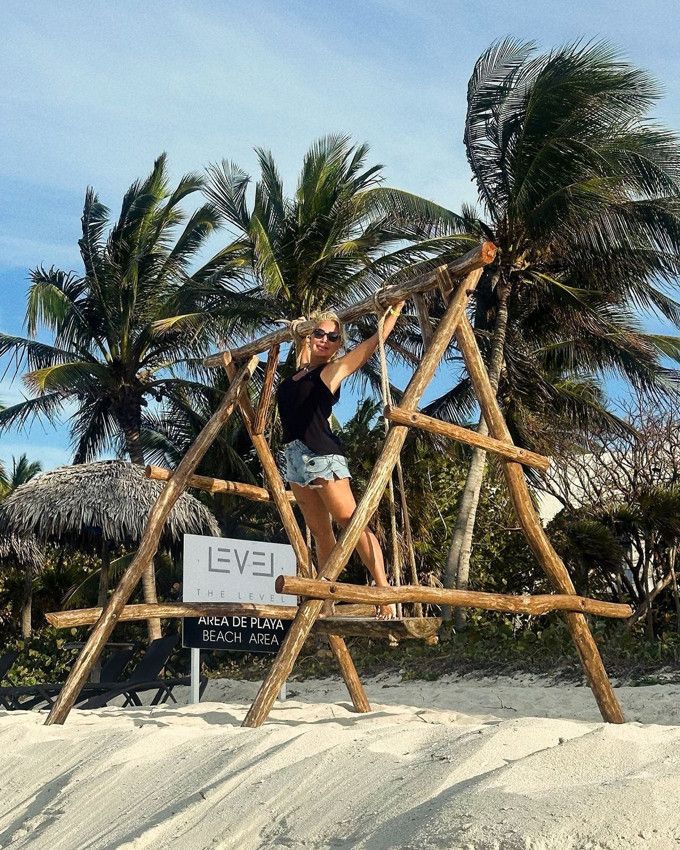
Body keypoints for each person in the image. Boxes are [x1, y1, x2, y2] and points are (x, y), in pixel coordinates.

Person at [276, 302, 405, 619]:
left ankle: (384, 593)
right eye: (319, 334)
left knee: (352, 523)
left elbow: (368, 349)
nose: (324, 340)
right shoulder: (301, 370)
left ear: (338, 345)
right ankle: (327, 600)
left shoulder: (331, 371)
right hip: (294, 459)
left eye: (332, 338)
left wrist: (391, 316)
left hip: (321, 456)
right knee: (321, 533)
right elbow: (303, 350)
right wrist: (299, 334)